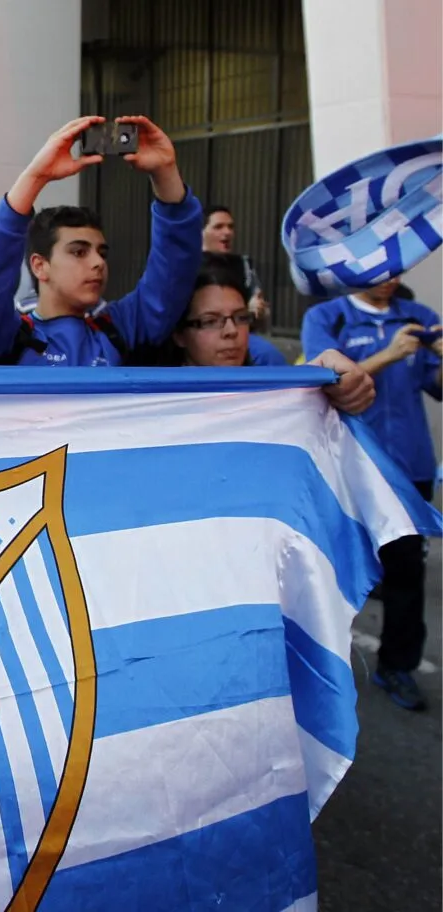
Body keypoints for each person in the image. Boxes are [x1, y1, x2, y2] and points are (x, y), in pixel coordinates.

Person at [301, 273, 441, 710]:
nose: (391, 278)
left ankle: (396, 666)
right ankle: (310, 672)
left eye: (398, 267)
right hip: (344, 469)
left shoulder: (419, 317)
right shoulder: (327, 317)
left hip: (406, 468)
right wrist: (390, 354)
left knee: (406, 574)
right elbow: (315, 381)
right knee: (324, 572)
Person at [0, 115, 202, 367]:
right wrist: (35, 177)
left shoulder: (120, 330)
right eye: (79, 252)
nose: (98, 262)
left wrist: (166, 173)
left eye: (102, 252)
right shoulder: (7, 340)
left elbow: (175, 269)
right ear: (40, 265)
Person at [152, 253, 289, 367]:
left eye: (241, 318)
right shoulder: (159, 398)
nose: (232, 331)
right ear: (179, 335)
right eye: (211, 321)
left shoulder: (269, 386)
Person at [201, 205, 269, 331]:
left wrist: (258, 310)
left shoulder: (243, 264)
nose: (227, 232)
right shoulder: (190, 267)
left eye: (230, 227)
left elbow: (259, 314)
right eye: (218, 227)